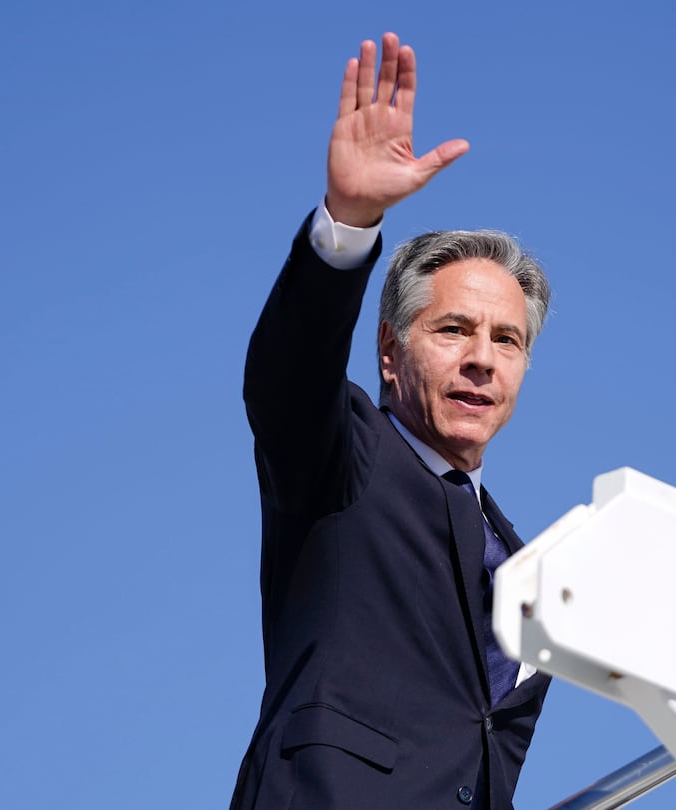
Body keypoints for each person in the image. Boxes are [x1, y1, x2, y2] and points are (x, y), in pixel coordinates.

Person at [230, 32, 552, 810]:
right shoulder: (345, 458)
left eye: (506, 341)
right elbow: (288, 374)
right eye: (453, 330)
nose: (483, 359)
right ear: (387, 350)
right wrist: (349, 220)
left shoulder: (525, 560)